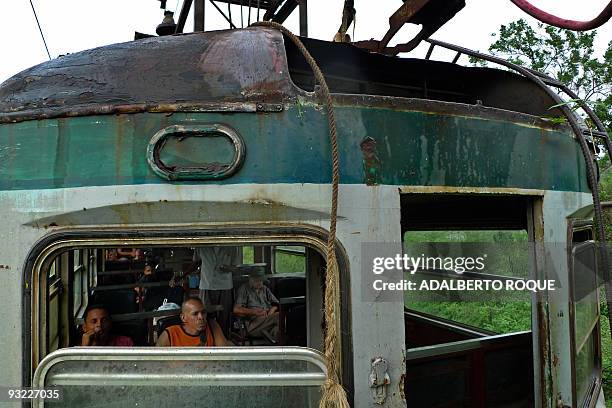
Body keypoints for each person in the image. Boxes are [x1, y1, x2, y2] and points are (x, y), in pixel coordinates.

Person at [186, 246, 241, 335]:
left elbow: (236, 268)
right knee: (203, 316)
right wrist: (183, 275)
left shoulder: (231, 246)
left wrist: (228, 268)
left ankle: (223, 341)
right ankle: (205, 341)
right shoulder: (202, 245)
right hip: (206, 285)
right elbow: (196, 263)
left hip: (225, 286)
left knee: (224, 318)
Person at [156, 297, 231, 347]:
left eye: (203, 312)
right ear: (183, 318)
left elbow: (224, 352)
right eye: (195, 314)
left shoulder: (212, 326)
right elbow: (156, 362)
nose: (201, 317)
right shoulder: (170, 334)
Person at [233, 267, 280, 343]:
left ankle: (276, 346)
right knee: (279, 316)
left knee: (278, 328)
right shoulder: (244, 289)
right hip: (254, 324)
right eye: (257, 280)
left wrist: (271, 311)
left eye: (261, 280)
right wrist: (254, 312)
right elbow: (236, 309)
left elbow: (276, 304)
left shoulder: (265, 289)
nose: (260, 283)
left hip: (268, 320)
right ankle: (275, 342)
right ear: (250, 279)